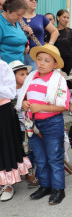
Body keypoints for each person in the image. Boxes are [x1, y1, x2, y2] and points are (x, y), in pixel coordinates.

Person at [16, 44, 69, 205]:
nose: (41, 63)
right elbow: (23, 98)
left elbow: (63, 105)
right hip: (33, 124)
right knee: (40, 158)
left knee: (54, 157)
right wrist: (24, 104)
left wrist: (42, 107)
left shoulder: (58, 80)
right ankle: (45, 185)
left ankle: (58, 189)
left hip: (52, 123)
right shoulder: (31, 77)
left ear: (54, 64)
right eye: (39, 59)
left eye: (46, 60)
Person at [0, 60, 32, 202]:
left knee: (4, 146)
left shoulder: (2, 66)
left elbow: (11, 93)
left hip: (2, 112)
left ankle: (7, 184)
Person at [21, 0, 59, 70]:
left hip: (37, 57)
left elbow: (55, 31)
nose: (34, 1)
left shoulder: (41, 18)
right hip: (19, 55)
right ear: (22, 0)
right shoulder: (17, 17)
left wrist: (49, 45)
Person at [0, 0, 28, 64]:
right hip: (6, 69)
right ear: (9, 10)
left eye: (22, 15)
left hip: (18, 66)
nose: (20, 18)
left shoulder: (14, 20)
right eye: (18, 14)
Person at [54, 10, 72, 75]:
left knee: (69, 82)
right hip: (56, 62)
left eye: (67, 18)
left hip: (69, 62)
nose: (66, 19)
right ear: (58, 18)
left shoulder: (71, 32)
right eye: (64, 17)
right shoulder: (52, 31)